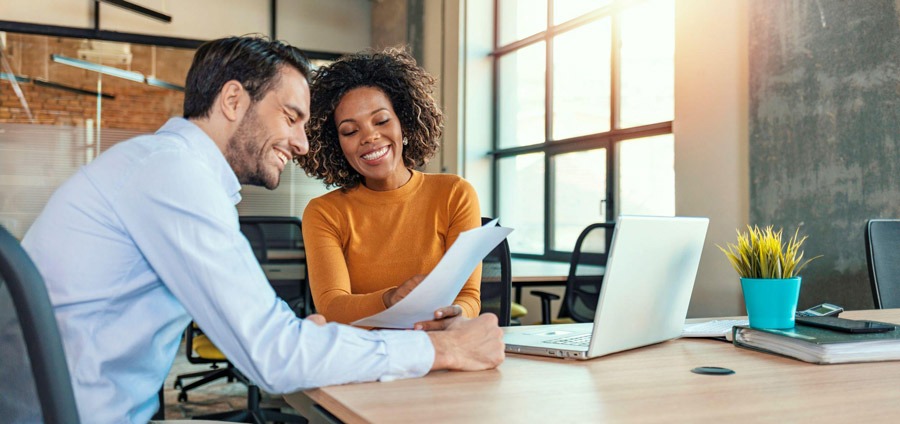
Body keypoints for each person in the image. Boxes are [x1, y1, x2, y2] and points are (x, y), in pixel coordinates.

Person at [20, 36, 504, 423]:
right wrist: (441, 347)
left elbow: (273, 338)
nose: (299, 142)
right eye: (291, 117)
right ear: (233, 99)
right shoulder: (172, 176)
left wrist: (304, 336)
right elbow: (272, 357)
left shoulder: (168, 169)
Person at [296, 48, 482, 327]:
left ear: (404, 125)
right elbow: (332, 306)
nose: (369, 136)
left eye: (381, 121)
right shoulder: (324, 212)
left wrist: (455, 314)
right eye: (350, 131)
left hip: (439, 346)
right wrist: (391, 299)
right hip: (364, 354)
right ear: (337, 145)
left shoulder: (455, 194)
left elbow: (468, 296)